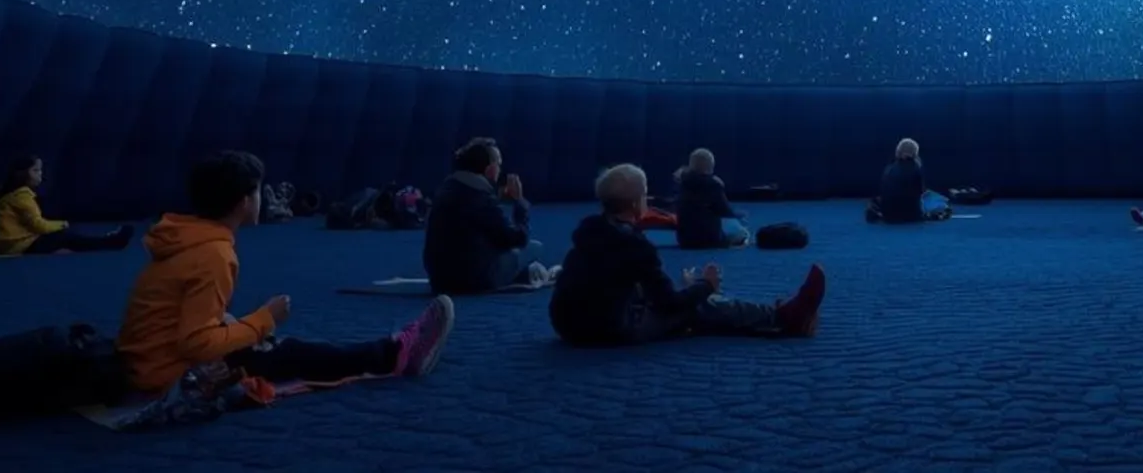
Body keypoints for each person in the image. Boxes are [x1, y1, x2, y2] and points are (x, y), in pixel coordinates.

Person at [117, 150, 455, 393]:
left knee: (266, 345)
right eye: (256, 192)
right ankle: (393, 355)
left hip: (146, 363)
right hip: (167, 374)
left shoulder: (186, 237)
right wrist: (264, 318)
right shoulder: (213, 254)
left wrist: (234, 325)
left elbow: (182, 314)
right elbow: (195, 344)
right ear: (244, 202)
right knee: (288, 354)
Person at [549, 163, 824, 346]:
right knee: (699, 306)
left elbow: (612, 279)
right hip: (609, 329)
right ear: (637, 203)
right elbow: (669, 303)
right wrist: (706, 286)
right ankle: (782, 318)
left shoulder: (588, 231)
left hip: (569, 326)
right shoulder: (636, 246)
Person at [423, 137, 548, 294]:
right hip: (475, 280)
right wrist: (519, 203)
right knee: (535, 248)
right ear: (490, 169)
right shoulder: (480, 199)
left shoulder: (446, 190)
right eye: (498, 165)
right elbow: (517, 239)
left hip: (440, 280)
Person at [0, 154, 133, 256]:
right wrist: (63, 224)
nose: (40, 174)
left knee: (62, 240)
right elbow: (39, 226)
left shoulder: (12, 196)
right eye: (36, 170)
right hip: (16, 248)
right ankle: (110, 241)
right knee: (62, 237)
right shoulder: (22, 197)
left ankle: (105, 241)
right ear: (23, 174)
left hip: (5, 247)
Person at [673, 148, 749, 249]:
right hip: (709, 239)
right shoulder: (713, 185)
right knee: (742, 232)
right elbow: (725, 211)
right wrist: (739, 214)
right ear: (711, 166)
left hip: (684, 240)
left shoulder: (682, 181)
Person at [868, 138, 950, 223]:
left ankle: (879, 212)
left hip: (888, 215)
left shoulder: (889, 168)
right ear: (915, 153)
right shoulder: (915, 168)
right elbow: (921, 192)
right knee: (938, 201)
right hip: (911, 215)